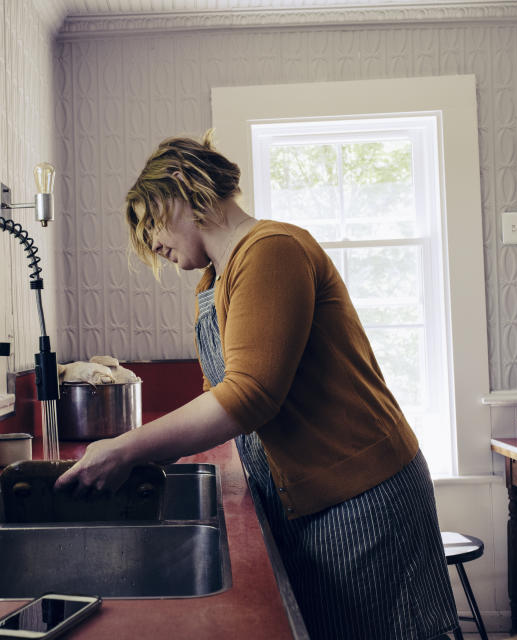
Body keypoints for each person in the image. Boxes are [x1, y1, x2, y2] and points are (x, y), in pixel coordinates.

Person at [54, 131, 459, 639]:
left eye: (149, 221)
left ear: (182, 184)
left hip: (363, 499)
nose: (151, 243)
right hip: (314, 504)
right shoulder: (216, 281)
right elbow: (216, 399)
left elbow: (249, 396)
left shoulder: (270, 249)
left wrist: (125, 449)